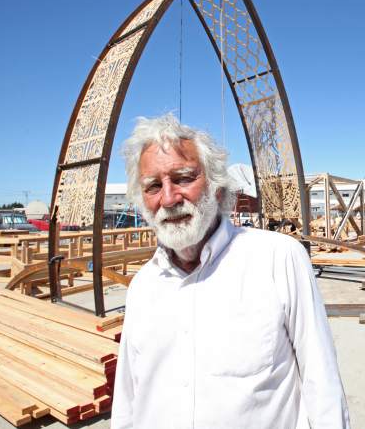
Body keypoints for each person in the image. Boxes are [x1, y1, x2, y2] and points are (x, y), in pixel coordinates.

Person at [112, 114, 349, 428]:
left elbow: (322, 385)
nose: (169, 198)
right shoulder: (143, 286)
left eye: (183, 178)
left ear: (218, 188)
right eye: (153, 186)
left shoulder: (278, 259)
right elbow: (129, 399)